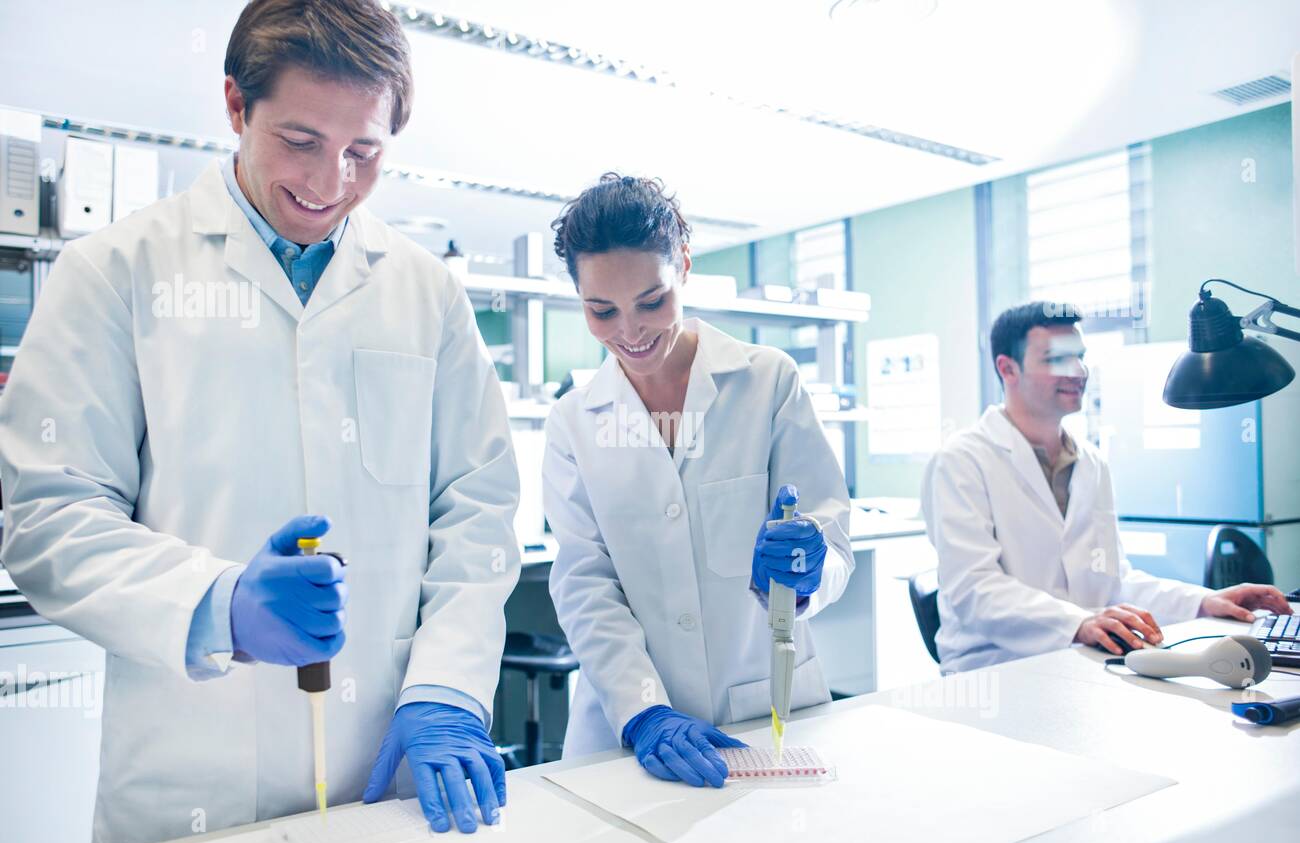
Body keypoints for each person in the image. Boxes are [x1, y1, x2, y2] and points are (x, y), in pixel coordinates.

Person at [0, 0, 519, 843]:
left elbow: (477, 505)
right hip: (188, 784)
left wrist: (448, 689)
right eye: (300, 141)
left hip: (379, 783)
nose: (329, 184)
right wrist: (217, 605)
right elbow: (51, 516)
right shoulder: (114, 274)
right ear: (238, 108)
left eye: (364, 153)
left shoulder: (425, 293)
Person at [542, 173, 855, 785]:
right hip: (625, 734)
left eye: (651, 301)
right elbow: (585, 578)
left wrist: (814, 567)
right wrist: (643, 711)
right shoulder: (574, 420)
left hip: (761, 714)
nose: (629, 332)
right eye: (601, 310)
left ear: (683, 265)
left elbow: (831, 536)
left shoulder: (767, 381)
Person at [920, 301, 1290, 673]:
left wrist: (1204, 601)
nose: (1078, 371)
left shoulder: (1090, 462)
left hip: (1082, 662)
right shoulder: (961, 461)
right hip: (994, 669)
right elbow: (973, 589)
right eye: (1057, 360)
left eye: (1080, 357)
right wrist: (1077, 623)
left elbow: (1114, 583)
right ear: (1007, 369)